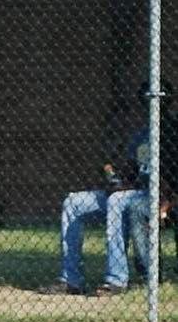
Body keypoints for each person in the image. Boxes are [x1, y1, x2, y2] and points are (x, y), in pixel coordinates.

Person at [38, 85, 172, 297]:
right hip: (130, 193)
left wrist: (165, 206)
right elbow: (130, 172)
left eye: (155, 99)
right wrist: (115, 180)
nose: (150, 105)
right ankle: (70, 280)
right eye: (145, 100)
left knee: (117, 200)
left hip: (154, 198)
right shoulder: (141, 136)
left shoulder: (172, 132)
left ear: (165, 101)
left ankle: (116, 280)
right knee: (73, 202)